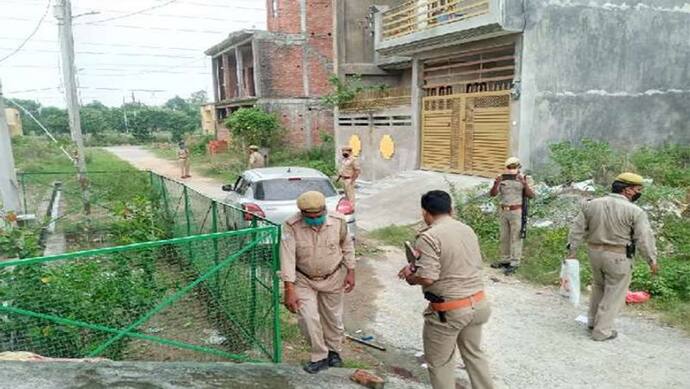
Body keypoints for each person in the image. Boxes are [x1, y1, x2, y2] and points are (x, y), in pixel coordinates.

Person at [398, 190, 493, 389]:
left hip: (450, 310)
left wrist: (410, 276)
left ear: (425, 212)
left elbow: (428, 277)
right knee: (474, 356)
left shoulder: (429, 236)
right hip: (478, 304)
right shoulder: (467, 229)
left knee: (440, 363)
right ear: (450, 209)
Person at [567, 172, 658, 341]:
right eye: (637, 189)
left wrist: (572, 250)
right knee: (614, 293)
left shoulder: (592, 204)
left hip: (594, 253)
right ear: (628, 190)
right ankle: (602, 331)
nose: (638, 193)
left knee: (598, 287)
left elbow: (577, 229)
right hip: (618, 256)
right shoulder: (635, 211)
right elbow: (644, 238)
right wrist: (651, 260)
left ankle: (593, 322)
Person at [280, 191, 356, 374]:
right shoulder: (291, 226)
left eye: (318, 215)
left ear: (324, 209)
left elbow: (347, 246)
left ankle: (334, 352)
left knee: (332, 318)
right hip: (303, 279)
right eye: (310, 217)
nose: (315, 219)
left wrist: (351, 271)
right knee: (308, 317)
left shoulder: (338, 221)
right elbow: (287, 257)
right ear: (302, 214)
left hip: (333, 276)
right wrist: (289, 288)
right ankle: (319, 355)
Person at [489, 157, 534, 275]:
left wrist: (524, 184)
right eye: (509, 167)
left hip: (517, 210)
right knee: (504, 236)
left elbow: (531, 195)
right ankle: (505, 260)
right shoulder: (502, 178)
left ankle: (515, 262)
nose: (512, 170)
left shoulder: (525, 178)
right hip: (504, 210)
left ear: (519, 167)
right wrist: (496, 183)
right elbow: (493, 194)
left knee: (516, 237)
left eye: (514, 167)